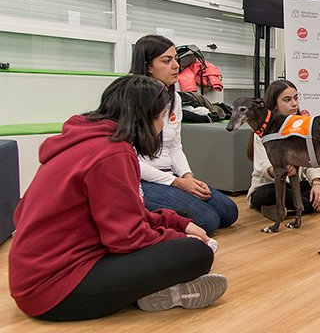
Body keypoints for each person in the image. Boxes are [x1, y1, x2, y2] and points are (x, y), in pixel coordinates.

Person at [9, 75, 227, 321]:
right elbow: (127, 238)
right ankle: (160, 289)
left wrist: (176, 222)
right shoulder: (112, 153)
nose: (162, 126)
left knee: (190, 238)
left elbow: (124, 212)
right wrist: (178, 237)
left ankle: (158, 291)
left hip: (33, 279)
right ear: (145, 117)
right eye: (161, 117)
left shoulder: (85, 141)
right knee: (196, 252)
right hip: (55, 291)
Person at [129, 35, 238, 235]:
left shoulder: (175, 99)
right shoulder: (130, 99)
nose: (176, 66)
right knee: (208, 220)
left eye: (175, 59)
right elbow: (129, 160)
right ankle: (146, 216)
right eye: (166, 61)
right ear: (148, 66)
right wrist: (177, 183)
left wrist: (187, 177)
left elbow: (174, 145)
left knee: (229, 212)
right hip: (143, 181)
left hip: (172, 175)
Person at [248, 80, 320, 220]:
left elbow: (308, 160)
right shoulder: (262, 131)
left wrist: (316, 183)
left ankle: (289, 208)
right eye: (287, 100)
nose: (294, 103)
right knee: (276, 193)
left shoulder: (301, 125)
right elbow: (262, 166)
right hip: (268, 187)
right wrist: (278, 169)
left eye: (296, 98)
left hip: (295, 186)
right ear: (274, 106)